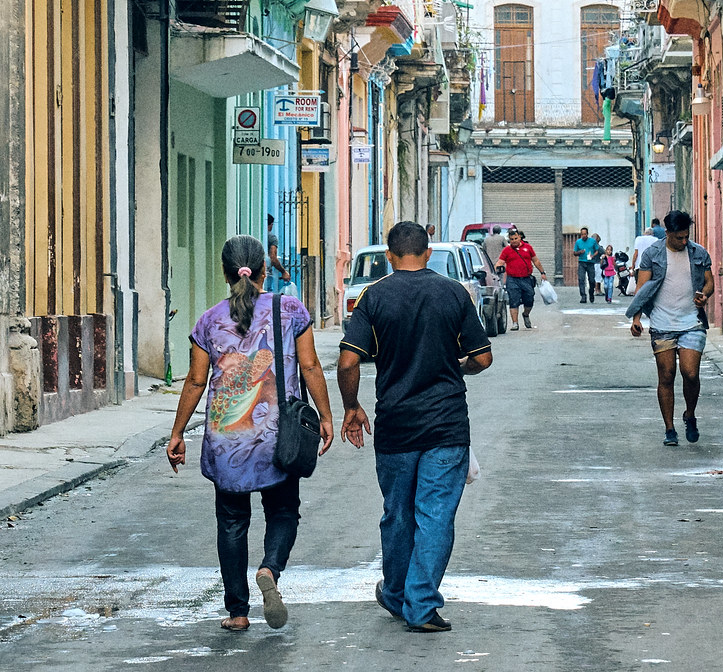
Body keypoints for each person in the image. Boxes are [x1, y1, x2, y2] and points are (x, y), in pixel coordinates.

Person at [166, 235, 334, 632]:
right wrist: (326, 415)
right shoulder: (290, 309)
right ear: (263, 270)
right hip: (279, 436)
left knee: (231, 521)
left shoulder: (208, 321)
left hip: (227, 439)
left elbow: (194, 380)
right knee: (283, 511)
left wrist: (176, 434)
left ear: (225, 274)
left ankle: (238, 612)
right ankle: (269, 570)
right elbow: (310, 367)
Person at [337, 222, 493, 633]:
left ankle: (395, 593)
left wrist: (351, 407)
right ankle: (420, 606)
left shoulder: (374, 297)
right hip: (446, 426)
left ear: (390, 256)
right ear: (427, 254)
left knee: (398, 514)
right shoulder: (453, 293)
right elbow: (482, 357)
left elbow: (349, 362)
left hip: (395, 425)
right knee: (436, 516)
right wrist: (458, 366)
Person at [626, 211, 714, 446]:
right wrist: (636, 318)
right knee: (666, 376)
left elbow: (709, 282)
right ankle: (670, 429)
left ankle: (690, 414)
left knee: (691, 373)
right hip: (662, 324)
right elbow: (642, 289)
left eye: (686, 237)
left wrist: (704, 295)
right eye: (678, 238)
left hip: (692, 322)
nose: (684, 242)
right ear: (667, 234)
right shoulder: (652, 254)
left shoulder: (698, 252)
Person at [495, 227, 547, 330]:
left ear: (520, 237)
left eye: (515, 238)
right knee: (514, 300)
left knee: (529, 299)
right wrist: (497, 268)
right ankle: (515, 323)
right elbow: (500, 261)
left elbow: (536, 261)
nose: (514, 241)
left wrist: (542, 272)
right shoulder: (507, 250)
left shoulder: (528, 248)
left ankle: (526, 314)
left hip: (526, 279)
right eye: (512, 239)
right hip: (512, 279)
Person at [573, 226, 598, 303]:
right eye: (582, 234)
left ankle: (591, 293)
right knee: (581, 279)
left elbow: (597, 250)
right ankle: (583, 296)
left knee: (591, 280)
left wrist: (593, 255)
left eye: (585, 234)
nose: (584, 236)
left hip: (590, 263)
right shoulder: (578, 242)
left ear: (587, 234)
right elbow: (574, 253)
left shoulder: (592, 241)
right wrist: (579, 252)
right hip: (582, 262)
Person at [266, 214, 290, 291]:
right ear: (271, 225)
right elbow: (273, 258)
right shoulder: (272, 237)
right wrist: (283, 271)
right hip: (265, 273)